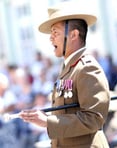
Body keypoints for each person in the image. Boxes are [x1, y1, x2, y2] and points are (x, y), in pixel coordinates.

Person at [20, 1, 110, 147]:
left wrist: (48, 122)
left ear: (74, 34)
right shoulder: (68, 69)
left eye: (56, 32)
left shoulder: (87, 68)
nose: (51, 38)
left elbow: (93, 118)